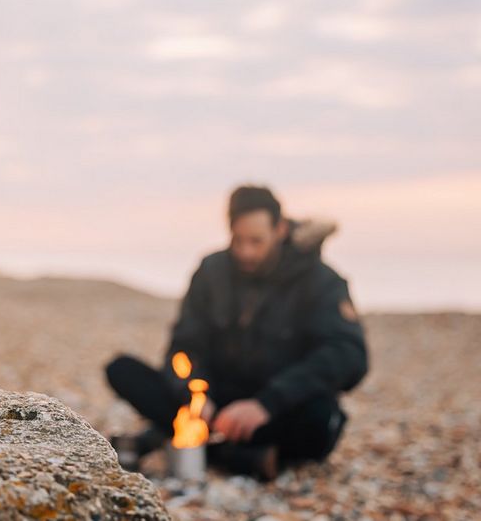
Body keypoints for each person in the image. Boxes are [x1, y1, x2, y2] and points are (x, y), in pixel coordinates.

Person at [106, 185, 368, 480]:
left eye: (256, 241)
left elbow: (349, 355)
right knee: (122, 370)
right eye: (238, 240)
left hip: (276, 406)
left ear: (280, 229)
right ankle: (238, 455)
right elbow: (183, 346)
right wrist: (195, 392)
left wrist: (267, 403)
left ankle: (175, 442)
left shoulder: (320, 280)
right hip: (215, 401)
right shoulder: (211, 270)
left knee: (323, 419)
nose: (245, 252)